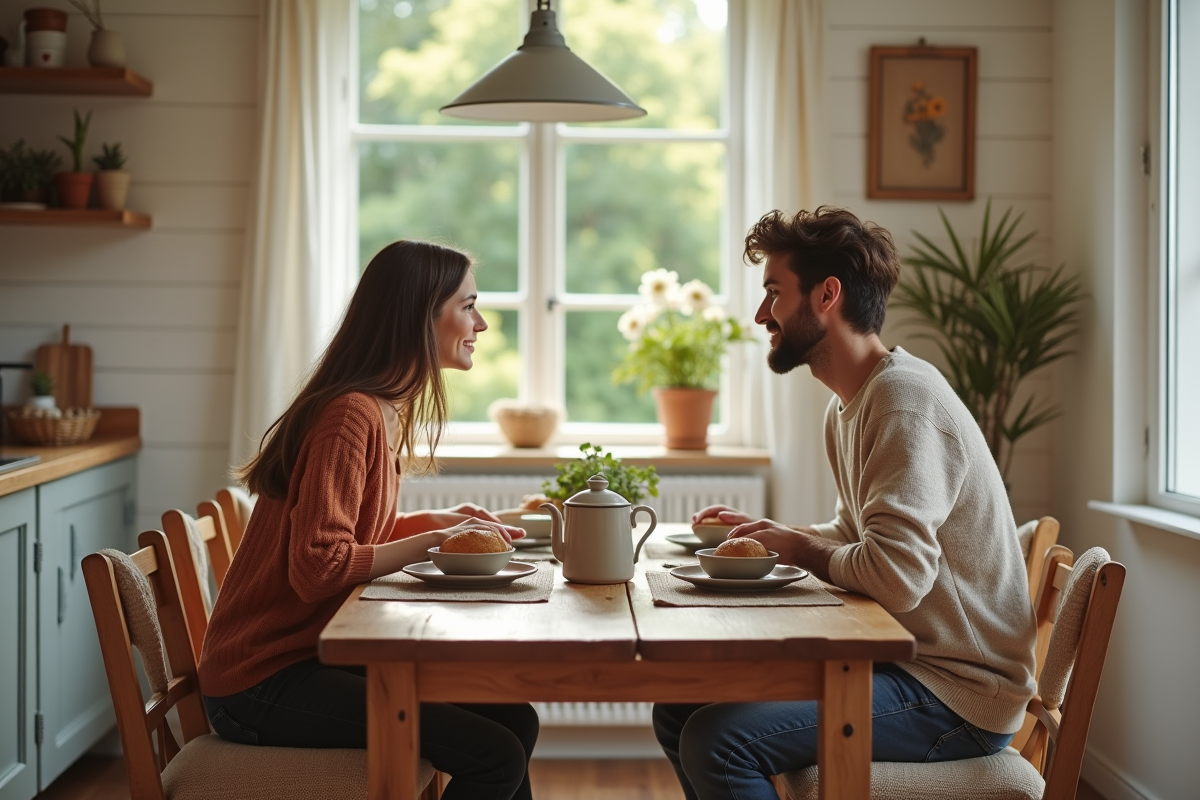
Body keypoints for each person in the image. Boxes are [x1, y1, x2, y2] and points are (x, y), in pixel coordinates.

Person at [653, 207, 1037, 800]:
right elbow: (852, 530)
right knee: (679, 711)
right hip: (910, 667)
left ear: (827, 294)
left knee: (717, 741)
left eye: (774, 294)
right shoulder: (851, 404)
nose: (761, 315)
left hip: (957, 693)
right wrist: (774, 533)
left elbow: (896, 576)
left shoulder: (903, 403)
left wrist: (797, 546)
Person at [198, 240, 540, 800]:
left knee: (515, 721)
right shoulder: (350, 416)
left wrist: (438, 521)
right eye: (468, 305)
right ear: (419, 316)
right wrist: (435, 541)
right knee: (495, 754)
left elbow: (353, 533)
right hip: (261, 683)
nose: (479, 322)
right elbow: (319, 567)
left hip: (308, 660)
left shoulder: (378, 409)